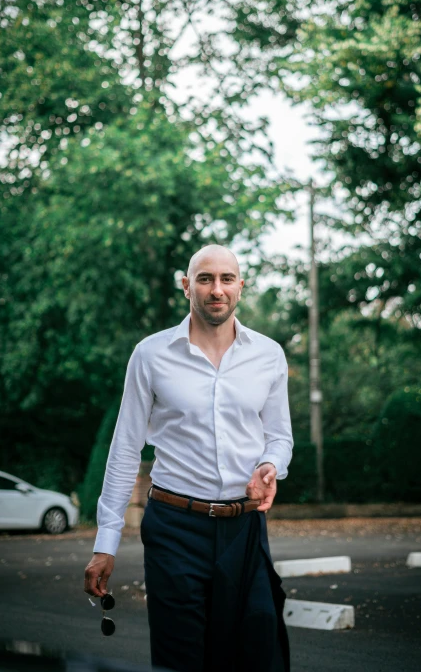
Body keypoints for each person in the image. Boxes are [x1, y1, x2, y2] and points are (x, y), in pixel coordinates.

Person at [84, 244, 293, 671]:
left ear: (241, 286)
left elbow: (280, 438)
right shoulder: (150, 354)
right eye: (205, 279)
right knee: (182, 660)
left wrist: (271, 466)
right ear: (186, 286)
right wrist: (105, 544)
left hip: (245, 529)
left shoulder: (269, 355)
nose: (217, 289)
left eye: (226, 279)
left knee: (260, 652)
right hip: (175, 528)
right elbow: (125, 448)